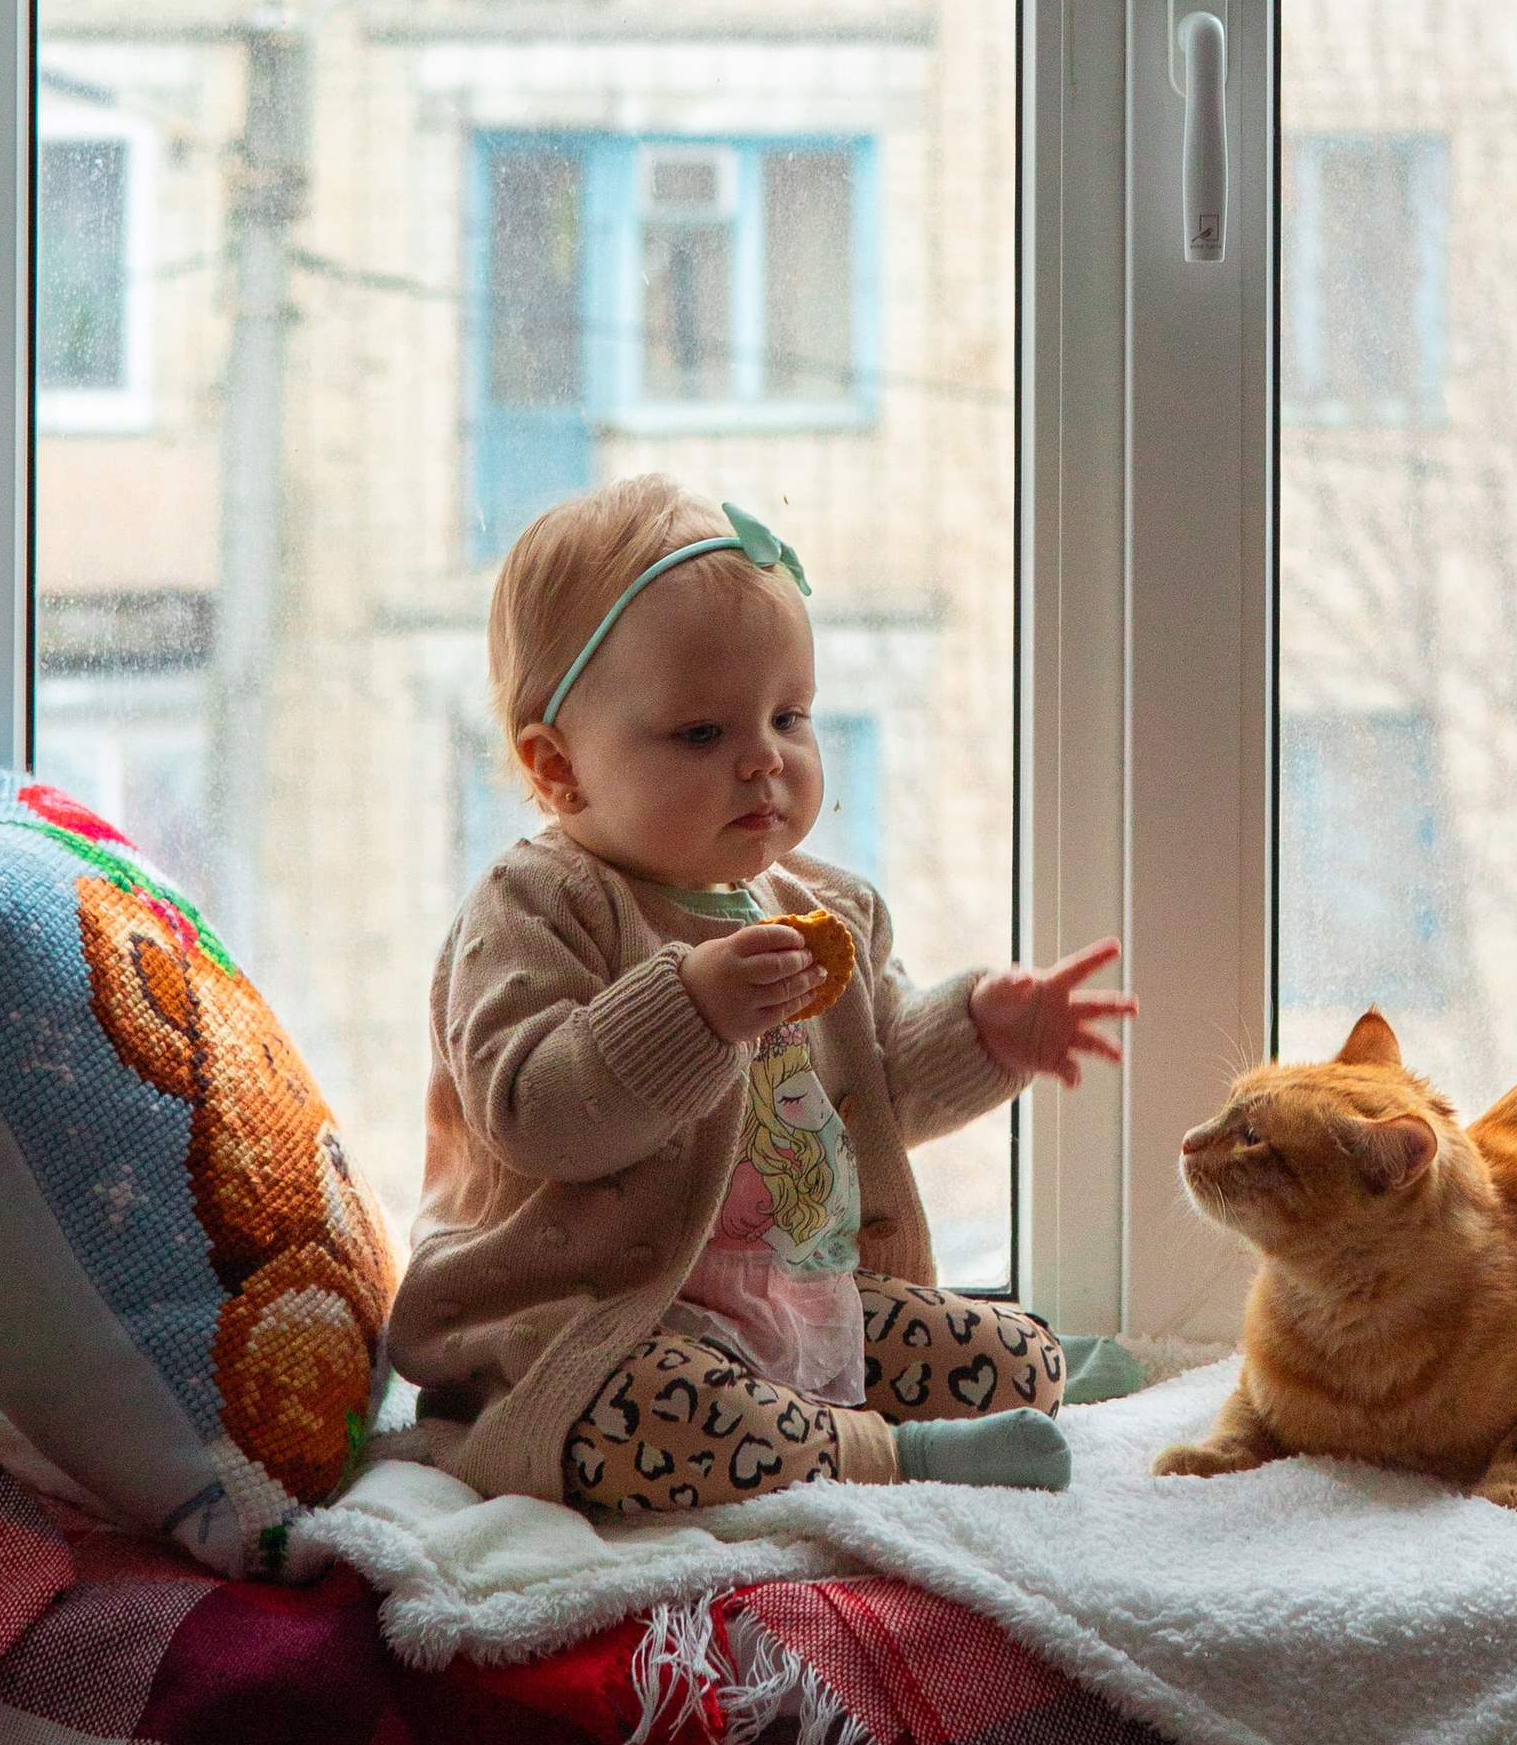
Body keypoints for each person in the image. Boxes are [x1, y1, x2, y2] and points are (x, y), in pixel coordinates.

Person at [386, 476, 1132, 1513]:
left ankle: (894, 1415)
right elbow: (531, 1116)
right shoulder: (539, 904)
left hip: (792, 1306)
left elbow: (879, 1093)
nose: (765, 762)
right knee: (661, 1414)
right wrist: (687, 1009)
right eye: (701, 735)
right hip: (587, 1331)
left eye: (790, 716)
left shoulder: (823, 906)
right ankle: (895, 1462)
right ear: (558, 770)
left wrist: (983, 1032)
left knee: (1011, 1357)